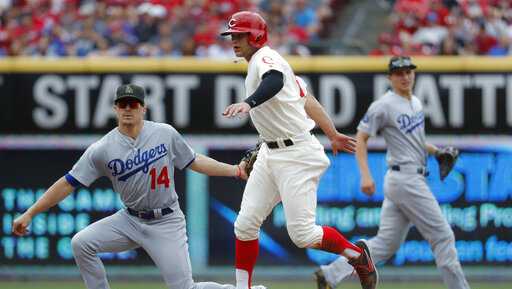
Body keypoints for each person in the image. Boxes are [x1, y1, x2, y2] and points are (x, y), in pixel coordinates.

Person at [12, 84, 266, 289]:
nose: (127, 109)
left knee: (184, 288)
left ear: (143, 108)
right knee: (81, 243)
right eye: (122, 104)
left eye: (133, 104)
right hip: (129, 220)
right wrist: (31, 212)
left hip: (166, 221)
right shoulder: (102, 149)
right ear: (115, 108)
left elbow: (194, 161)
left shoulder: (164, 133)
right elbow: (68, 183)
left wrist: (234, 170)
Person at [220, 11, 377, 289]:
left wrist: (249, 103)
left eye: (240, 34)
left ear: (256, 36)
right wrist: (333, 134)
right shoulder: (269, 63)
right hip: (272, 152)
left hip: (297, 155)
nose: (234, 40)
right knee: (244, 224)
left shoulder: (265, 59)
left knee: (303, 235)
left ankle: (357, 256)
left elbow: (274, 81)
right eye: (232, 35)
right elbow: (308, 101)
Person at [314, 56, 471, 289]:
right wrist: (365, 175)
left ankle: (330, 274)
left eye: (409, 72)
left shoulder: (416, 102)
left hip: (409, 178)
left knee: (386, 244)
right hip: (405, 178)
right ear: (390, 78)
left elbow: (415, 140)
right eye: (399, 73)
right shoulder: (384, 105)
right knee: (443, 236)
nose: (405, 77)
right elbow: (361, 137)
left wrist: (436, 152)